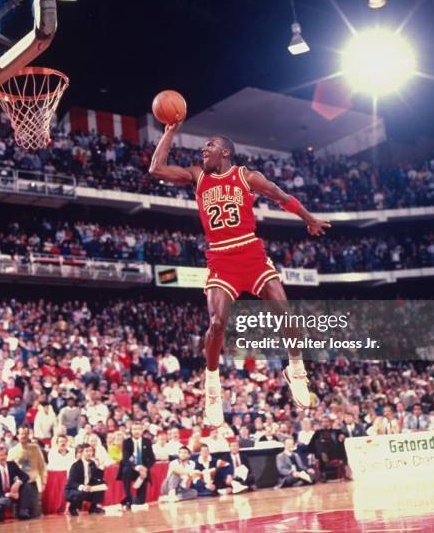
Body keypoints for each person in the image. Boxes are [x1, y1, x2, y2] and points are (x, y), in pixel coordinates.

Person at [149, 127, 330, 424]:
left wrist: (308, 220)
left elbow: (281, 196)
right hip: (221, 257)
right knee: (217, 323)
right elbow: (156, 168)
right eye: (203, 147)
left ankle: (296, 367)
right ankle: (212, 387)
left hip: (251, 253)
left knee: (285, 313)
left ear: (225, 151)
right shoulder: (198, 176)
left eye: (210, 145)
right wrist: (169, 131)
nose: (203, 150)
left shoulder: (248, 177)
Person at [7, 427, 46, 518]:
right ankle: (22, 510)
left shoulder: (35, 448)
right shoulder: (12, 451)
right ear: (17, 435)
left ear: (28, 435)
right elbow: (9, 470)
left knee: (36, 514)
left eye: (25, 434)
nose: (23, 436)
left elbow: (42, 466)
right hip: (19, 484)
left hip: (34, 482)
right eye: (21, 434)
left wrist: (43, 481)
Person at [0, 446, 31, 521]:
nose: (3, 457)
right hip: (1, 495)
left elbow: (26, 476)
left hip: (13, 491)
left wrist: (18, 483)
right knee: (2, 507)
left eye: (4, 455)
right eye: (0, 455)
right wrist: (8, 494)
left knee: (26, 485)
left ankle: (23, 511)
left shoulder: (12, 465)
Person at [117, 422, 155, 508]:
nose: (136, 431)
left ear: (142, 430)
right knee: (126, 470)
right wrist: (138, 467)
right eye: (134, 429)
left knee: (141, 501)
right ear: (131, 431)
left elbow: (152, 459)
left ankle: (134, 500)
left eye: (138, 429)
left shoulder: (147, 442)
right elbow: (125, 459)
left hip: (143, 471)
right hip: (131, 469)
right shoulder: (127, 442)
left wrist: (145, 468)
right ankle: (128, 497)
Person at [65, 444, 105, 516]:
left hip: (88, 487)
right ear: (82, 453)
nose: (89, 453)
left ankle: (93, 507)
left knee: (102, 484)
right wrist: (83, 487)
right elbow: (71, 482)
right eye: (87, 451)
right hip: (74, 489)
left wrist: (100, 466)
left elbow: (99, 478)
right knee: (81, 493)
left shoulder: (92, 463)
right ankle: (73, 508)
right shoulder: (76, 465)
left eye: (91, 451)